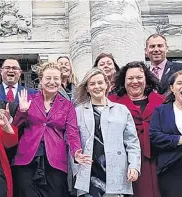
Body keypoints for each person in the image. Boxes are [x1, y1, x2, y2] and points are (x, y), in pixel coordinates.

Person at [11, 62, 91, 197]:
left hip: (55, 161)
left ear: (61, 82)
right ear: (41, 80)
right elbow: (15, 128)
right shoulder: (29, 99)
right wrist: (22, 111)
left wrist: (76, 152)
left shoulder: (67, 105)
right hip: (27, 159)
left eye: (56, 79)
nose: (52, 82)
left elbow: (72, 132)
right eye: (48, 78)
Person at [73, 68, 141, 197]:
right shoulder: (78, 111)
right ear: (87, 88)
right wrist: (75, 166)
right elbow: (72, 141)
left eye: (100, 83)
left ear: (107, 85)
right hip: (89, 172)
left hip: (117, 169)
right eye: (92, 84)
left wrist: (134, 165)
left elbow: (132, 142)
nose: (97, 87)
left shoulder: (122, 110)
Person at [108, 61, 163, 197]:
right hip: (125, 161)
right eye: (130, 78)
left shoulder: (162, 101)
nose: (135, 81)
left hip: (157, 158)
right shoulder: (111, 102)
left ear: (146, 79)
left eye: (139, 77)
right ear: (123, 81)